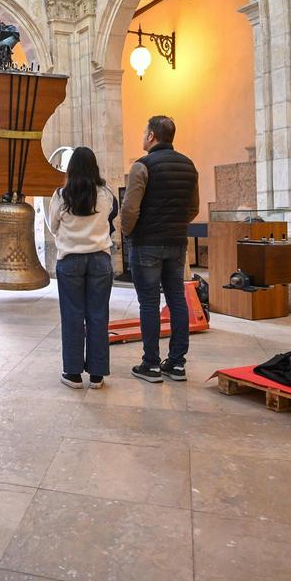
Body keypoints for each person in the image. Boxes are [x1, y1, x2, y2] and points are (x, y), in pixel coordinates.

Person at [120, 115, 199, 383]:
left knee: (149, 303)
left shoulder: (141, 167)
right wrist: (176, 224)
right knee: (177, 300)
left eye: (144, 132)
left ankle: (151, 364)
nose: (142, 137)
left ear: (152, 136)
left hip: (147, 244)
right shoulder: (189, 166)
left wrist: (128, 231)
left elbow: (130, 208)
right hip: (177, 242)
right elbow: (194, 207)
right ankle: (176, 363)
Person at [47, 146, 118, 390]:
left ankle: (73, 374)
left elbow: (52, 226)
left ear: (71, 168)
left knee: (73, 316)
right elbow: (110, 218)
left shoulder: (61, 195)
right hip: (100, 259)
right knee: (98, 316)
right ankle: (97, 375)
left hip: (70, 261)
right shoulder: (106, 194)